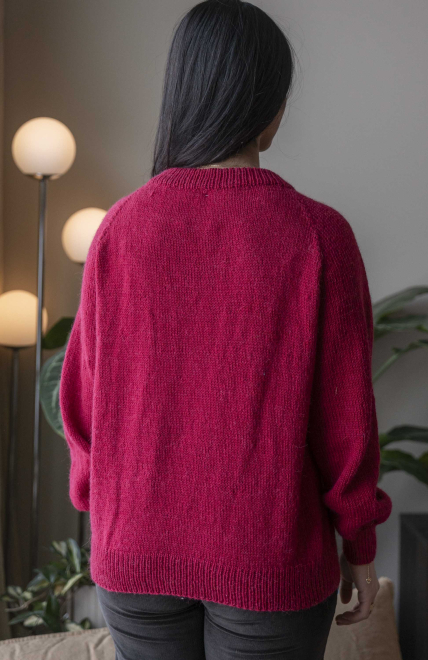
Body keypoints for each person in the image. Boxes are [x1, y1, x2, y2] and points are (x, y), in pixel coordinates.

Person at [59, 1, 393, 658]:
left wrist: (108, 510)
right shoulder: (319, 236)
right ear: (270, 109)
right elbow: (346, 422)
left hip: (133, 556)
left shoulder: (120, 229)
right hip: (268, 562)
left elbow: (83, 404)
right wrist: (359, 544)